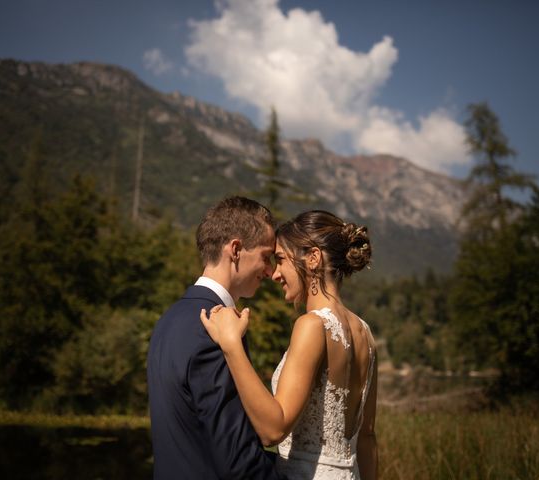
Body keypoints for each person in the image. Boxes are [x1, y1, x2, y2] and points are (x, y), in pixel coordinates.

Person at [201, 210, 378, 479]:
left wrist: (231, 345)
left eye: (281, 260)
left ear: (313, 258)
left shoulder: (312, 326)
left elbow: (273, 430)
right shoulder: (365, 333)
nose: (275, 274)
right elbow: (366, 437)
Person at [147, 196, 283, 479]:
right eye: (265, 256)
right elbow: (238, 461)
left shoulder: (168, 320)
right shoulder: (214, 329)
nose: (270, 271)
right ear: (235, 249)